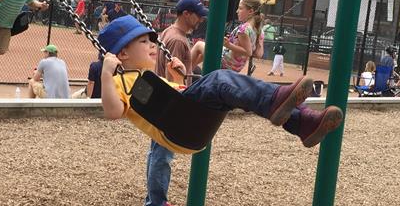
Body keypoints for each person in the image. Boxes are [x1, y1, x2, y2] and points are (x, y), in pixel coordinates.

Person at [99, 15, 344, 154]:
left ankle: (303, 123)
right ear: (122, 54)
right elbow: (113, 112)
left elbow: (171, 101)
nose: (153, 45)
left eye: (152, 41)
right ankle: (275, 99)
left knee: (236, 91)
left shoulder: (146, 79)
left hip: (190, 121)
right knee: (220, 79)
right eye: (143, 42)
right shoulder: (122, 81)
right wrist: (106, 75)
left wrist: (177, 77)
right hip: (181, 126)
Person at [144, 0, 209, 206]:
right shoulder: (178, 40)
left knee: (156, 152)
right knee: (162, 155)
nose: (201, 19)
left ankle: (155, 198)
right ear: (186, 14)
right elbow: (176, 76)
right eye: (198, 15)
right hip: (171, 101)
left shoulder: (169, 33)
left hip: (161, 98)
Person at [221, 0, 264, 74]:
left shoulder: (243, 29)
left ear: (250, 11)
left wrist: (229, 45)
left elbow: (248, 52)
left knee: (199, 45)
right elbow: (258, 54)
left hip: (225, 63)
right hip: (236, 67)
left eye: (240, 8)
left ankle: (195, 76)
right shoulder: (259, 31)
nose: (237, 11)